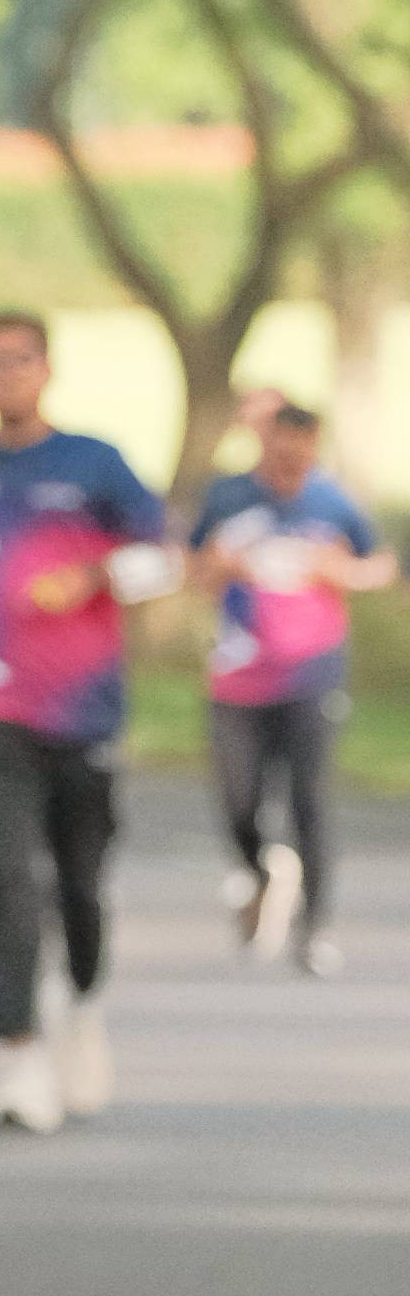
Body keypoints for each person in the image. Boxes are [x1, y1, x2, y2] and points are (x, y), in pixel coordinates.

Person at [0, 310, 177, 1135]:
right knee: (5, 875)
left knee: (80, 885)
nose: (8, 374)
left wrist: (91, 577)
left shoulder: (94, 462)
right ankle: (20, 1054)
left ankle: (82, 1005)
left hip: (83, 709)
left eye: (21, 359)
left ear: (47, 369)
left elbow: (167, 560)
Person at [189, 398, 396, 974]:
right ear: (266, 444)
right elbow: (192, 565)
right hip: (238, 676)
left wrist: (342, 572)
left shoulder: (333, 501)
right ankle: (260, 872)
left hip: (312, 674)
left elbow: (380, 565)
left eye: (301, 456)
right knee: (239, 800)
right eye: (281, 453)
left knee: (310, 800)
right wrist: (220, 566)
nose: (290, 465)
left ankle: (315, 927)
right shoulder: (228, 497)